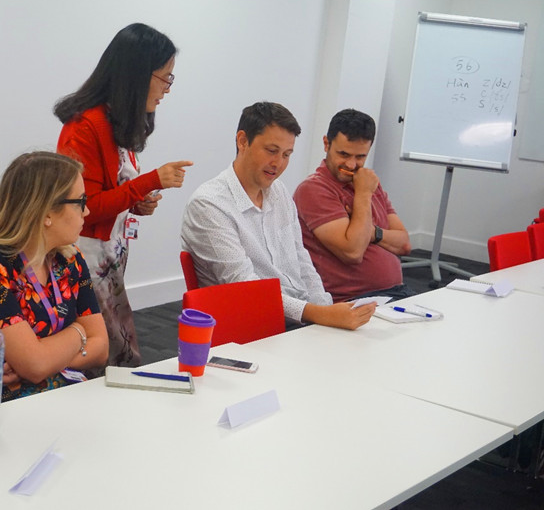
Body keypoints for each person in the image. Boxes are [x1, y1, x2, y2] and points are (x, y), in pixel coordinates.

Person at [54, 22, 192, 369]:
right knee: (107, 356)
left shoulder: (116, 121)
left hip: (109, 255)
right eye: (165, 78)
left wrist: (137, 202)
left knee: (116, 353)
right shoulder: (85, 125)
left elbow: (112, 192)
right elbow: (84, 207)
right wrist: (148, 182)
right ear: (138, 75)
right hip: (84, 258)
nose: (167, 89)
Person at [181, 102, 375, 330]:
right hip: (254, 326)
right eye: (272, 151)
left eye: (286, 154)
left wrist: (326, 309)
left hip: (298, 319)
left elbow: (302, 262)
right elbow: (245, 287)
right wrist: (320, 315)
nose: (278, 164)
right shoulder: (210, 205)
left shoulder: (278, 192)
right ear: (242, 141)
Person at [0, 152, 109, 400]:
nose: (87, 211)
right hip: (0, 407)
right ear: (46, 212)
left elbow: (101, 347)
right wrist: (79, 332)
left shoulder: (69, 258)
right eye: (80, 201)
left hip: (69, 393)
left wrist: (44, 361)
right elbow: (35, 365)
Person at [293, 109, 413, 302]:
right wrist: (364, 194)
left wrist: (371, 232)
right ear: (326, 144)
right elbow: (352, 252)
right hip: (350, 300)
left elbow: (404, 244)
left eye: (360, 157)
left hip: (395, 292)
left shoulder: (369, 182)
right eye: (343, 154)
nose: (351, 165)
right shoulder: (313, 189)